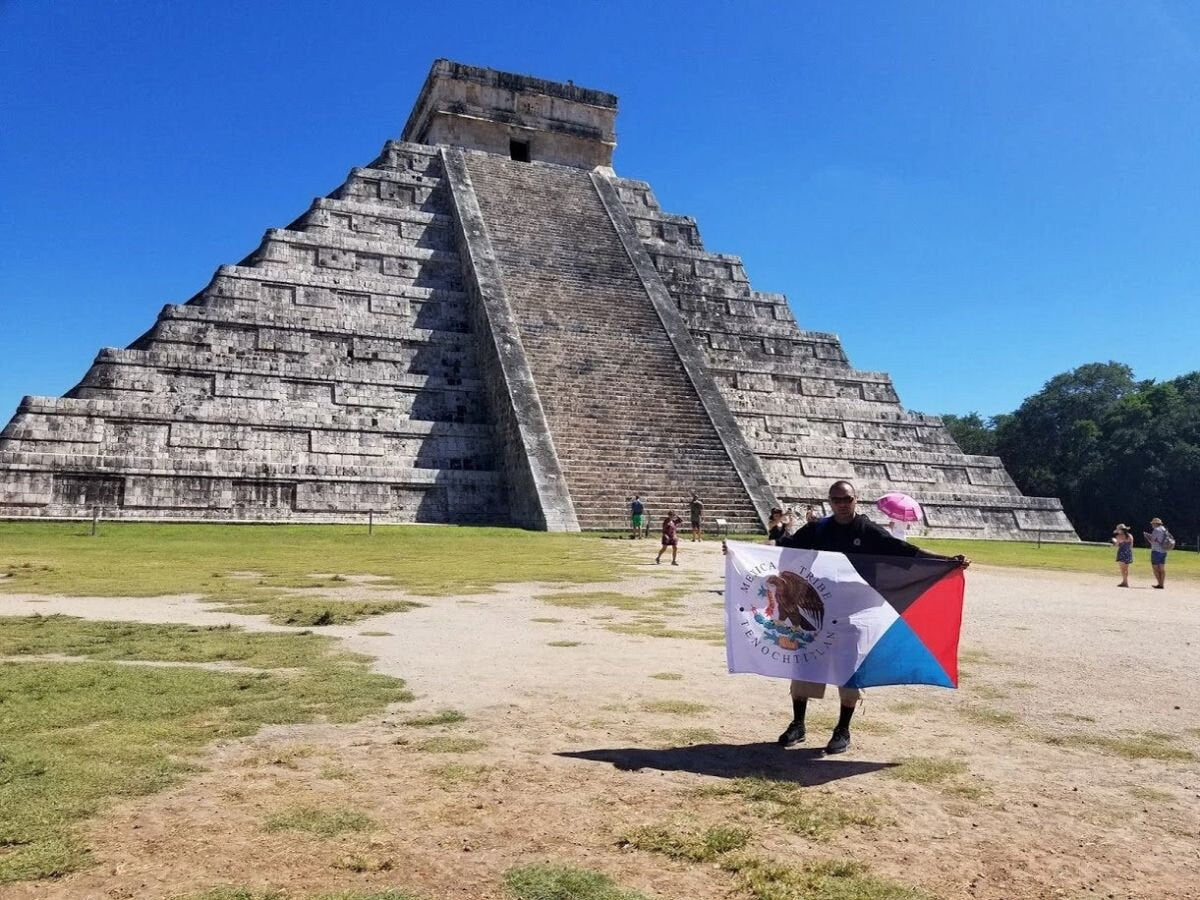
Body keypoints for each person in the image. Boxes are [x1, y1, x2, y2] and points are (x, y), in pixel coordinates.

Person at [730, 480, 970, 755]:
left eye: (847, 499)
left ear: (857, 500)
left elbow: (903, 552)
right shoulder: (819, 529)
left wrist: (945, 561)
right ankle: (798, 724)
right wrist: (738, 553)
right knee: (804, 668)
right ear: (830, 502)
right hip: (818, 610)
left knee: (849, 671)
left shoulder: (868, 531)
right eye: (836, 500)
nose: (842, 504)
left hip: (855, 611)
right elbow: (785, 549)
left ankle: (842, 729)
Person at [1143, 517, 1170, 589]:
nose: (1152, 525)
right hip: (1164, 551)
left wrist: (1147, 536)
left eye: (1152, 523)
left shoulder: (1156, 530)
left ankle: (1160, 584)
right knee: (1162, 569)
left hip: (1156, 551)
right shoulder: (1164, 529)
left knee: (1155, 568)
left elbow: (1152, 541)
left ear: (1155, 524)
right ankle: (1162, 584)